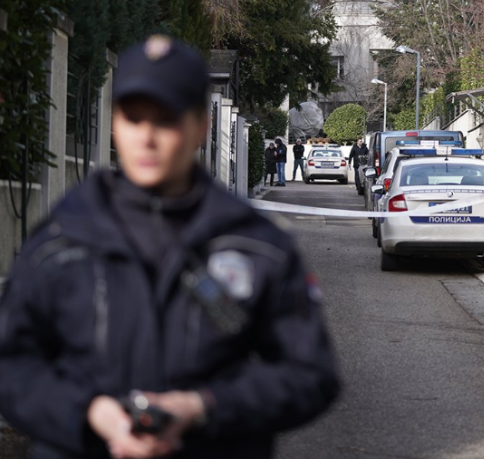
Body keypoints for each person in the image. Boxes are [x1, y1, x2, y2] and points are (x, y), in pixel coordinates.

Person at [0, 35, 339, 459]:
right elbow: (13, 363)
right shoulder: (61, 237)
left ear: (201, 126)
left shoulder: (257, 245)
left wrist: (204, 407)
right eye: (133, 117)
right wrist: (88, 413)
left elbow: (309, 373)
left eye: (166, 119)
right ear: (114, 121)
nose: (147, 136)